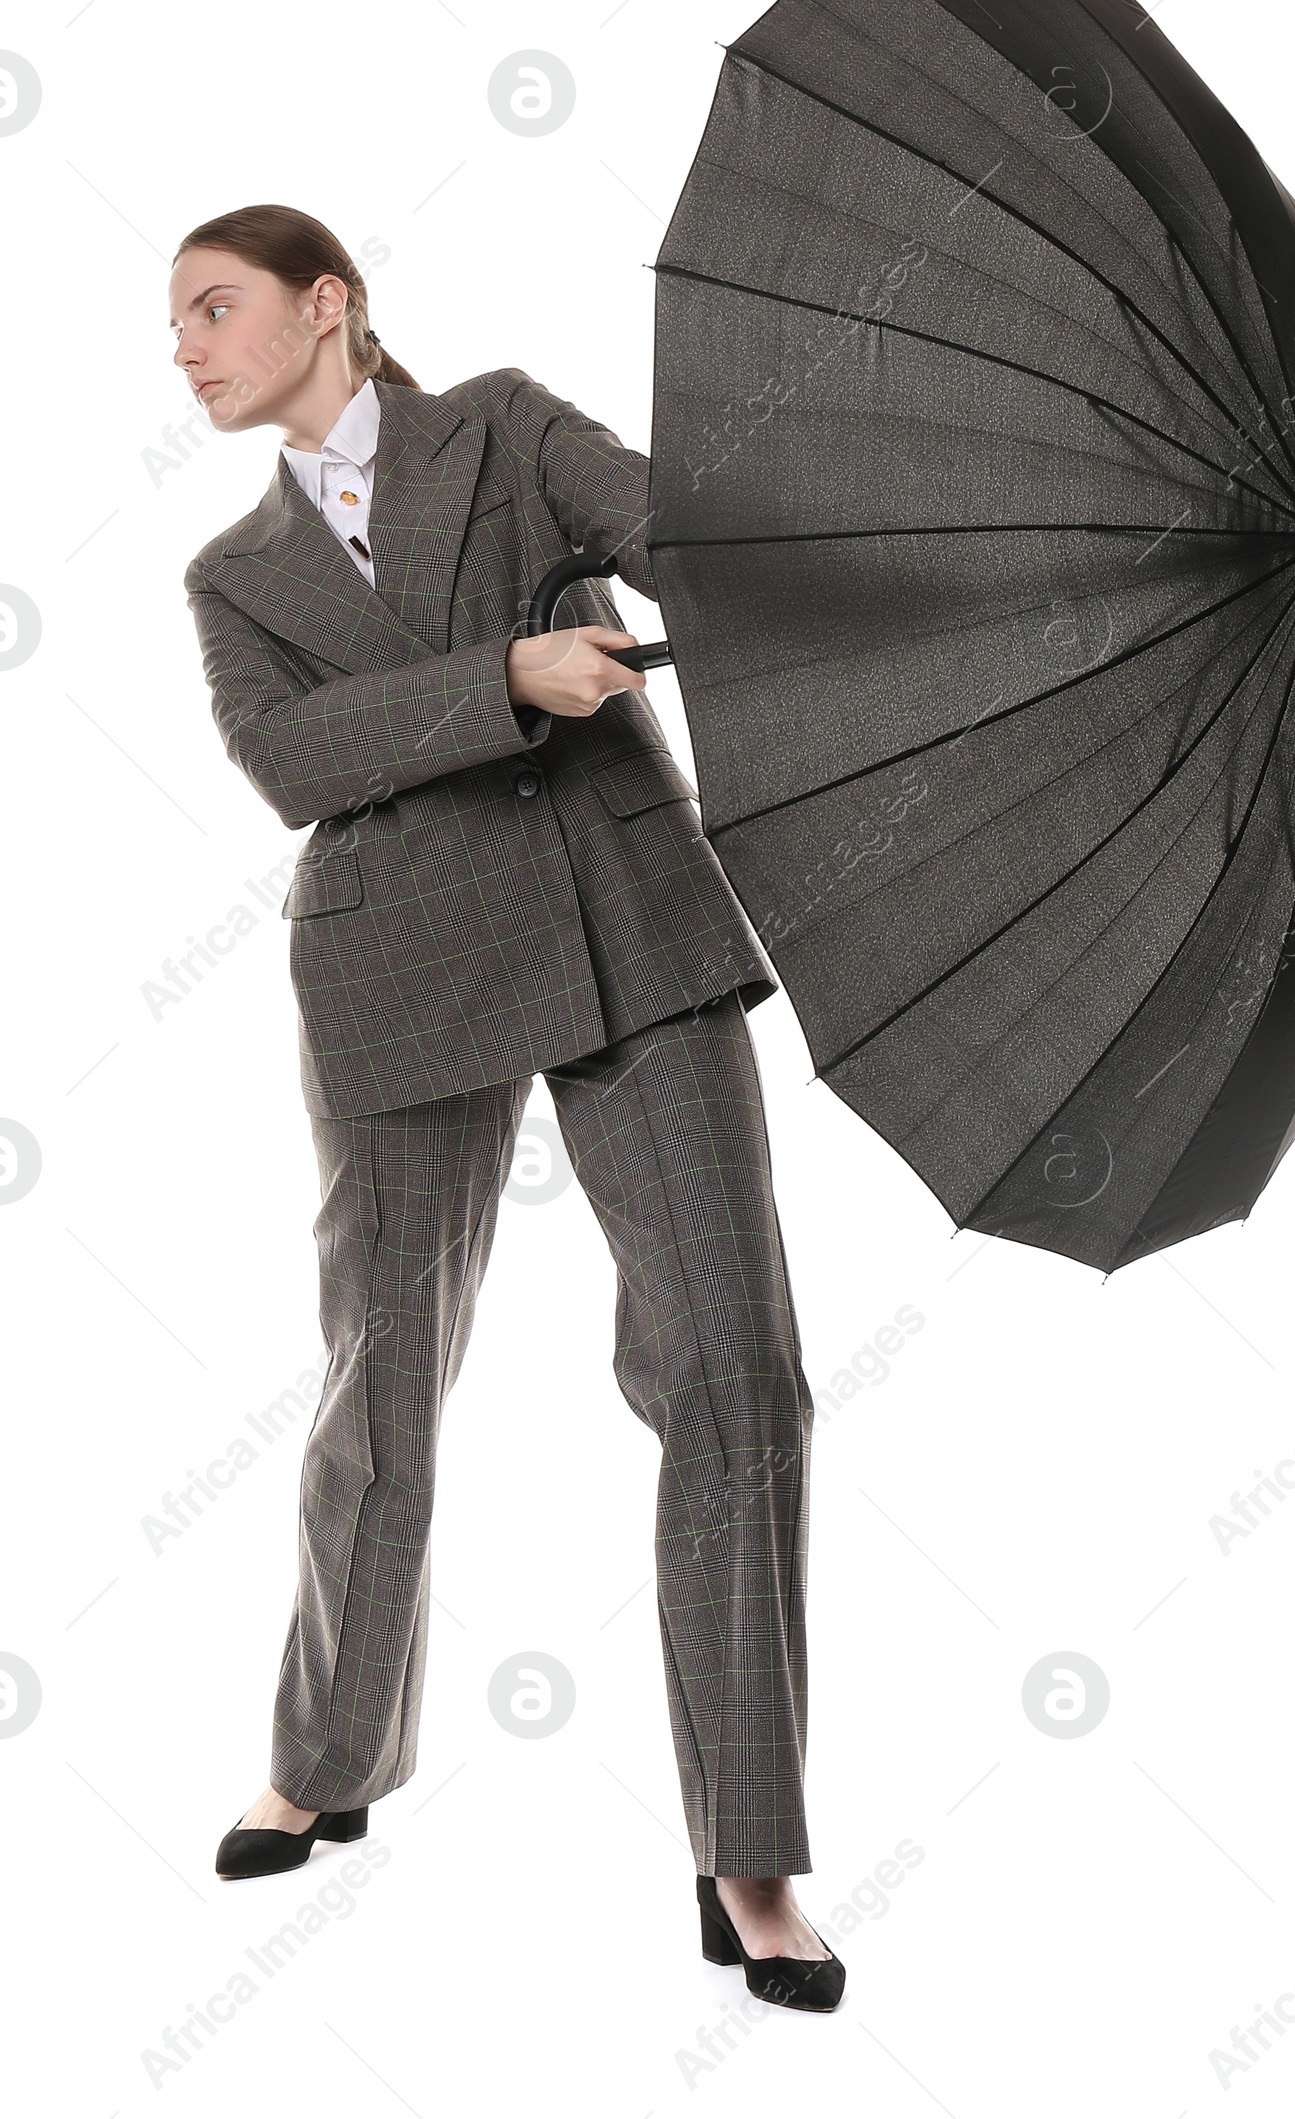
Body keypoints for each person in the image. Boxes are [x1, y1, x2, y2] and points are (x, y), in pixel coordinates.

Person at [171, 204, 843, 2012]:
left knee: (735, 1371)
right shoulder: (234, 573)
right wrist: (506, 679)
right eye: (178, 324)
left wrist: (745, 554)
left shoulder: (512, 428)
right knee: (380, 1383)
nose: (188, 348)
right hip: (400, 973)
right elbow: (291, 760)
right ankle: (328, 1757)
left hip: (629, 922)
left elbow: (674, 538)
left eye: (215, 308)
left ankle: (750, 1851)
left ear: (332, 307)